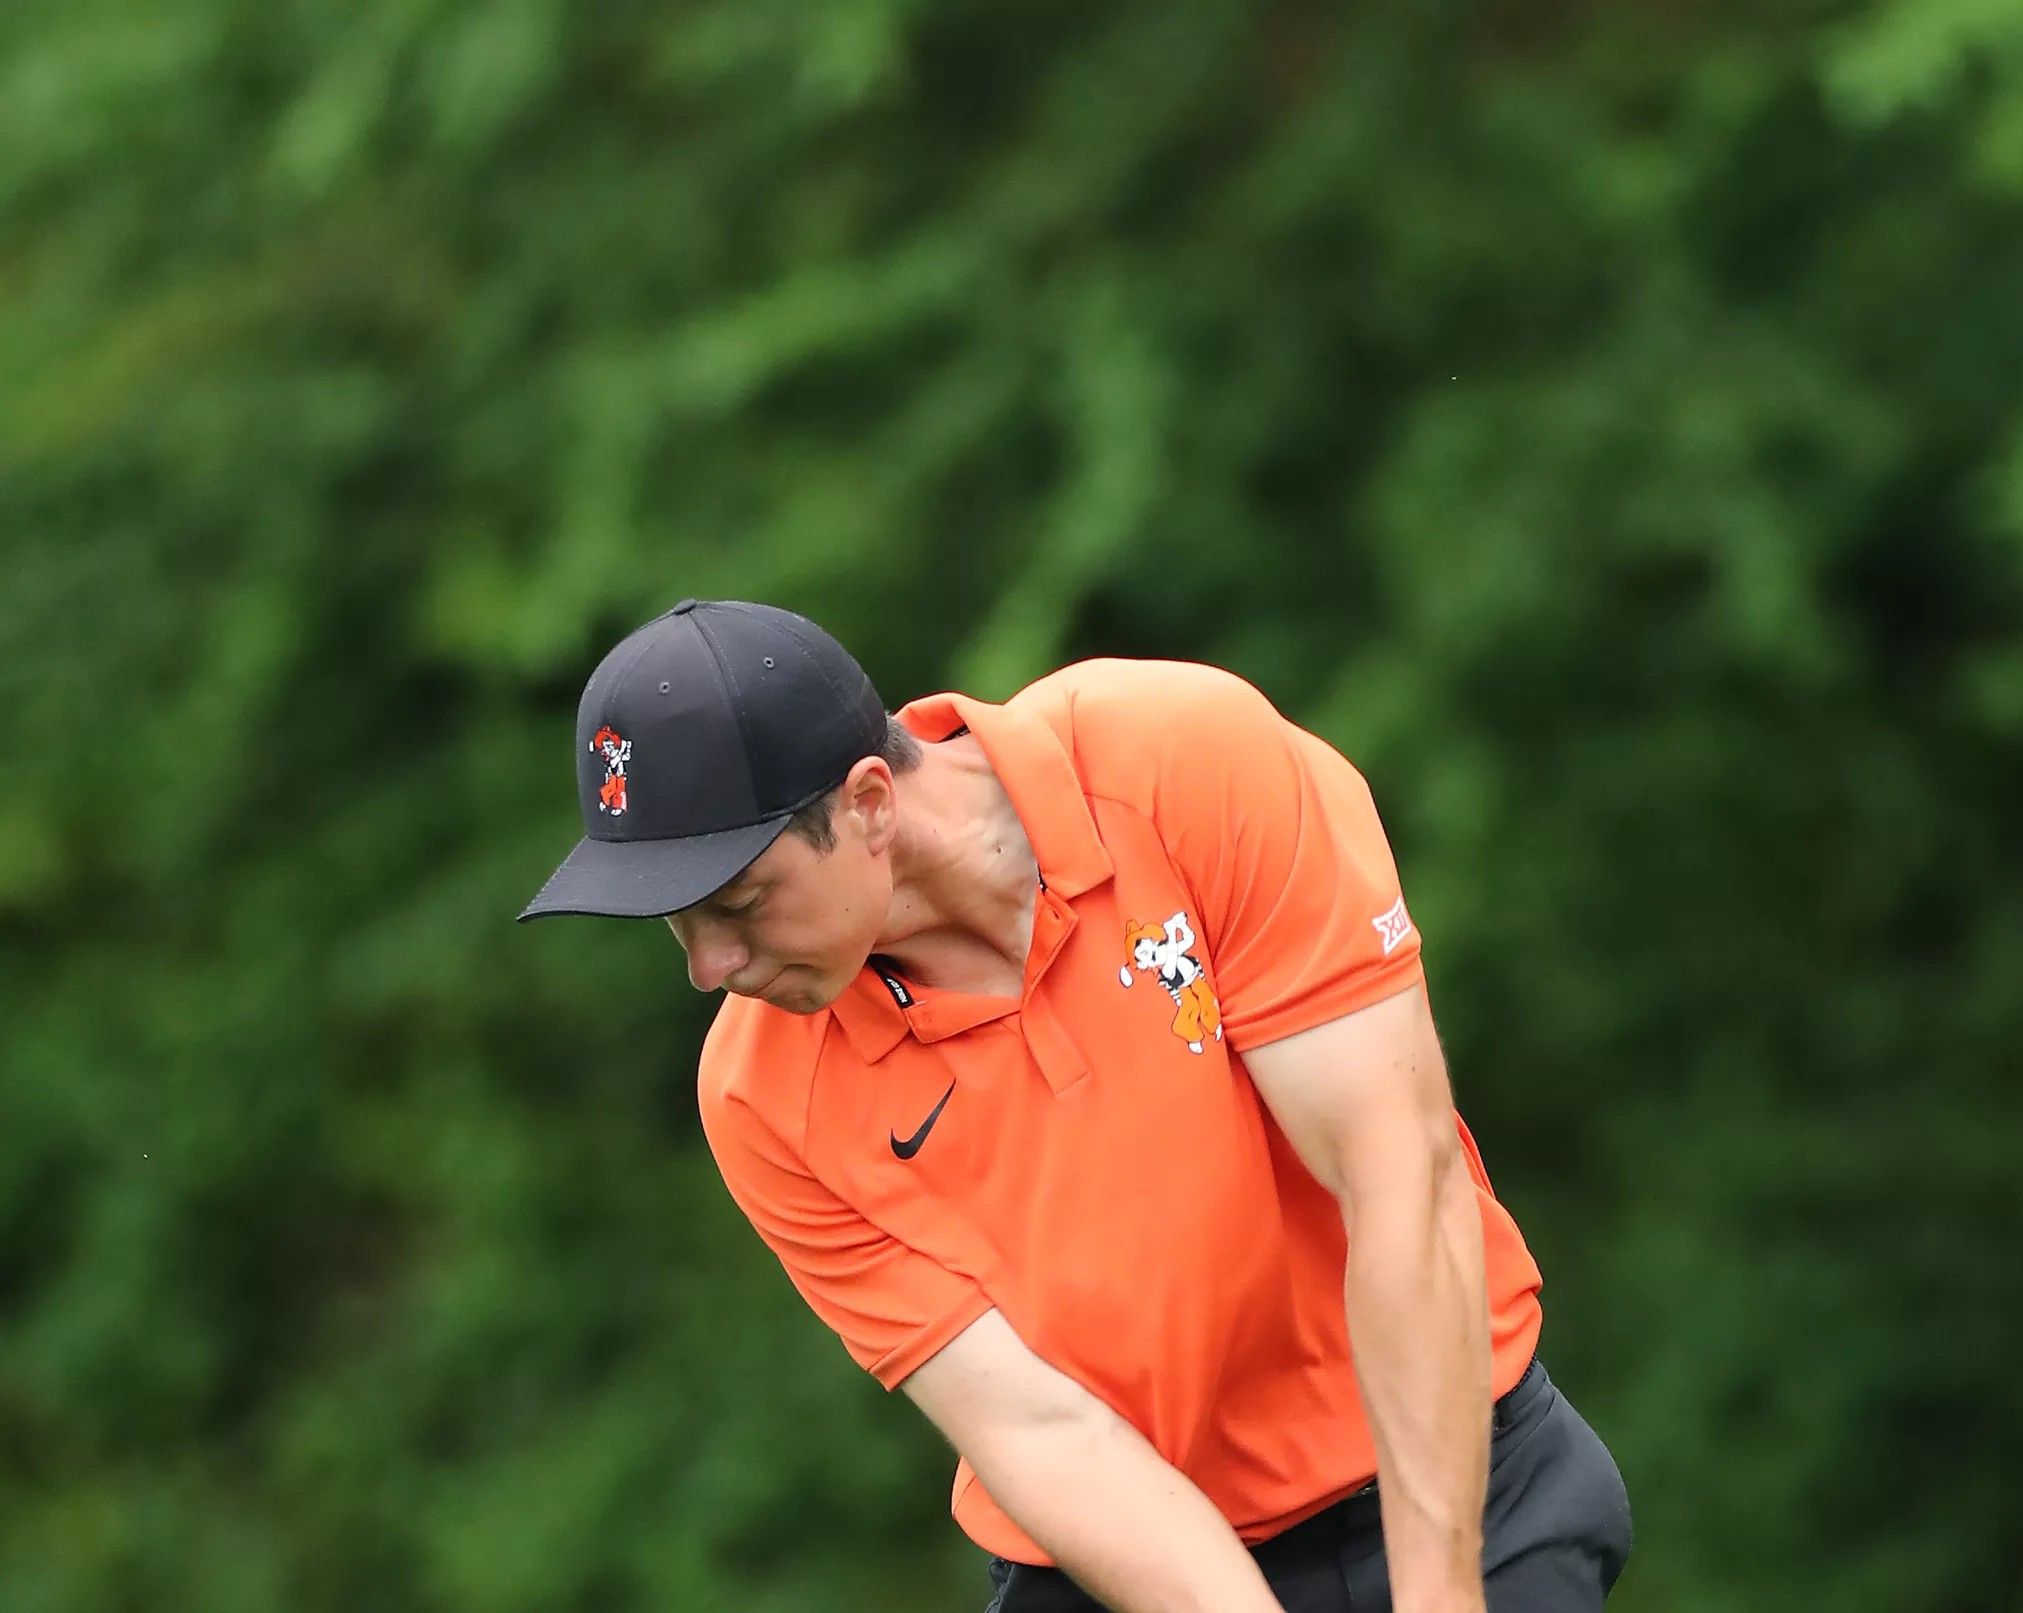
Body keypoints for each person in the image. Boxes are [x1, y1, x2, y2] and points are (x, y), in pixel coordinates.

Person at [520, 598, 1631, 1612]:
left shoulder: (1180, 763)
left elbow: (1400, 1180)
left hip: (1453, 1485)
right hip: (1127, 1569)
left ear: (867, 803)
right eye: (676, 921)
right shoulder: (760, 1094)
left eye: (741, 903)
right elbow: (1040, 1430)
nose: (708, 965)